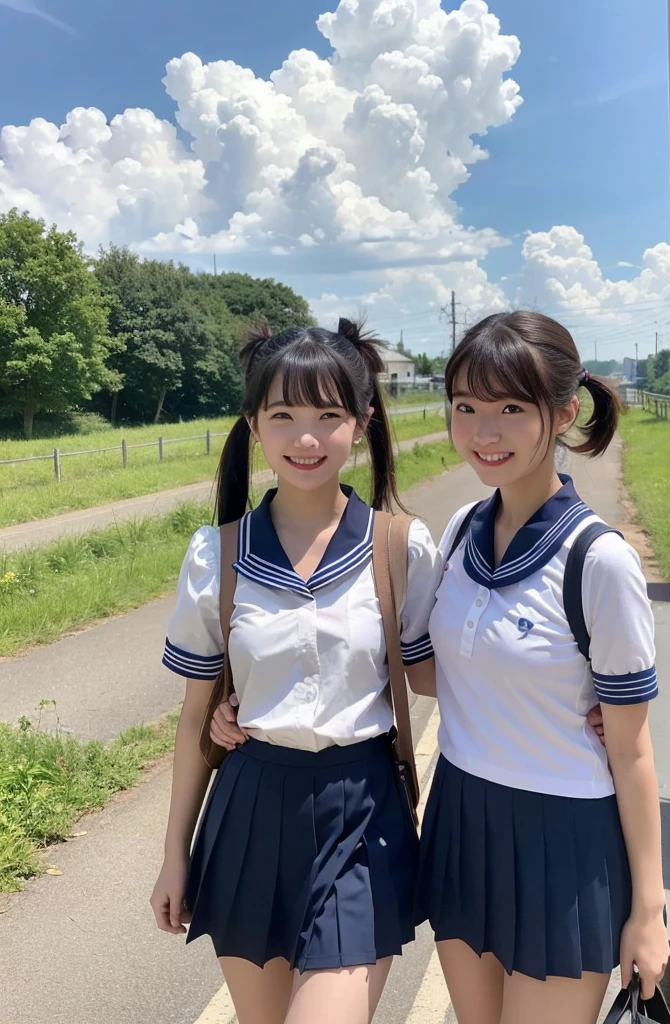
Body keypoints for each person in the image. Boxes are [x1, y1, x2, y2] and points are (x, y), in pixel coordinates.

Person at [150, 318, 441, 1024]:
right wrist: (174, 856)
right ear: (254, 425)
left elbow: (444, 675)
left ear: (363, 422)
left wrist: (568, 690)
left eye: (328, 415)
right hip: (249, 809)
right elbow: (197, 718)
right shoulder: (214, 556)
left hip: (361, 813)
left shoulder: (401, 547)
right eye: (283, 415)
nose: (306, 439)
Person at [416, 311, 669, 1024]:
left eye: (510, 409)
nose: (482, 433)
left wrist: (649, 912)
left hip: (566, 840)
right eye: (465, 406)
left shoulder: (600, 561)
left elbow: (634, 749)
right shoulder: (463, 527)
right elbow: (436, 674)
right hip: (463, 815)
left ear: (562, 414)